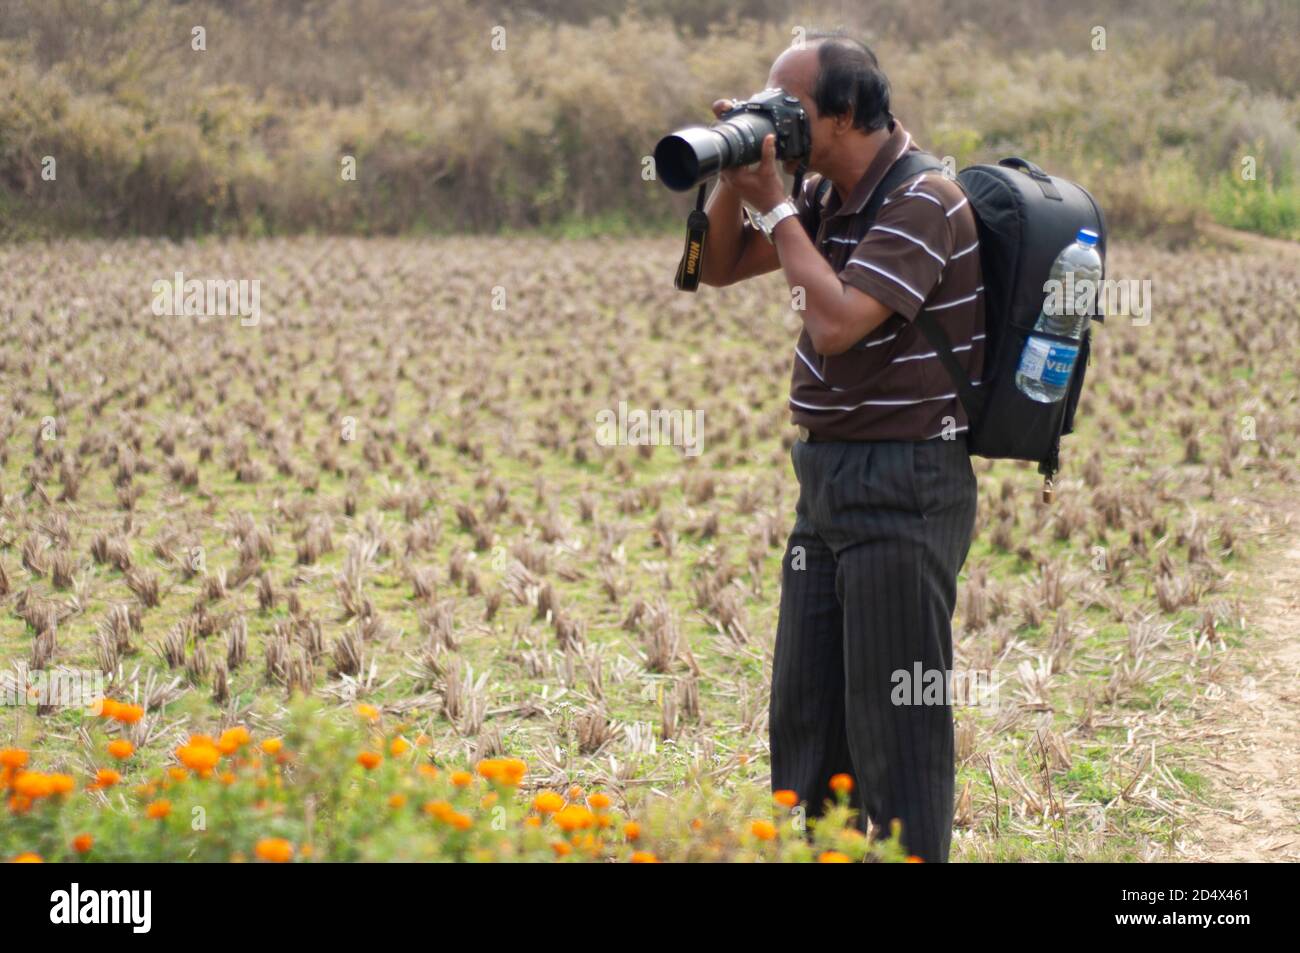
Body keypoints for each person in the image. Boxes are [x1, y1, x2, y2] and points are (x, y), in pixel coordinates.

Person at [699, 32, 984, 862]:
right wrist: (737, 178)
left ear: (847, 114)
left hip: (905, 481)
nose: (775, 123)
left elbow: (832, 325)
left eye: (788, 110)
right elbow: (714, 267)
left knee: (896, 728)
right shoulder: (829, 196)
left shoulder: (925, 198)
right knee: (808, 718)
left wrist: (779, 205)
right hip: (824, 478)